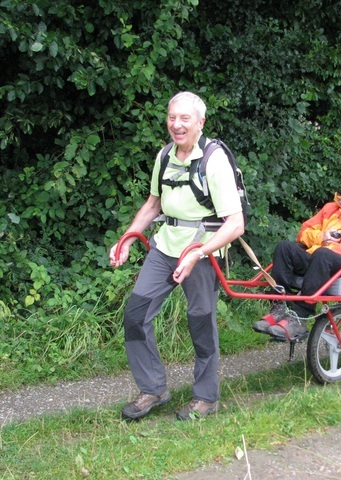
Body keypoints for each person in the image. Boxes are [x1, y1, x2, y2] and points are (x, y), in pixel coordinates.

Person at [109, 92, 244, 420]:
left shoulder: (213, 160)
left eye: (185, 118)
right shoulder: (165, 155)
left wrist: (197, 253)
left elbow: (236, 224)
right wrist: (127, 238)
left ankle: (206, 397)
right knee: (136, 315)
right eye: (172, 117)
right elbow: (153, 204)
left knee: (200, 322)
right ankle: (154, 388)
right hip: (166, 246)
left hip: (203, 252)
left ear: (200, 122)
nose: (177, 124)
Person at [252, 164, 341, 340]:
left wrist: (324, 247)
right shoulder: (330, 208)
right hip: (321, 260)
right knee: (284, 247)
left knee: (323, 254)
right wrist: (322, 237)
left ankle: (300, 316)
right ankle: (279, 307)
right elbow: (302, 234)